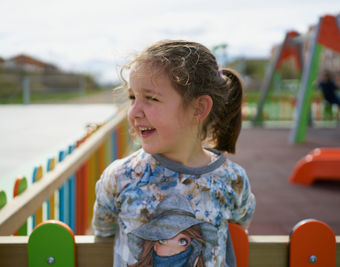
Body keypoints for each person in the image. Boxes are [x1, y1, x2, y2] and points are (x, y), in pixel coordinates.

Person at [92, 40, 256, 267]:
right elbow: (103, 231)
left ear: (198, 109)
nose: (134, 112)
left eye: (151, 98)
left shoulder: (233, 180)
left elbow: (239, 228)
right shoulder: (120, 177)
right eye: (133, 97)